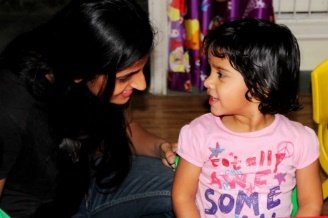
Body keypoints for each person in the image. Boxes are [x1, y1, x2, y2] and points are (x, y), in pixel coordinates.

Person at [0, 0, 177, 217]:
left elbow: (125, 127)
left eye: (141, 70)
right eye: (126, 77)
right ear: (80, 71)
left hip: (87, 186)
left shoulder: (94, 63)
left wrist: (161, 147)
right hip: (35, 211)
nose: (142, 85)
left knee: (188, 191)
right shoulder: (11, 106)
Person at [172, 18, 323, 218]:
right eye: (210, 71)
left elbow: (311, 204)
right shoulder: (199, 134)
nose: (208, 81)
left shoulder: (299, 140)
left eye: (221, 74)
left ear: (261, 86)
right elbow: (183, 197)